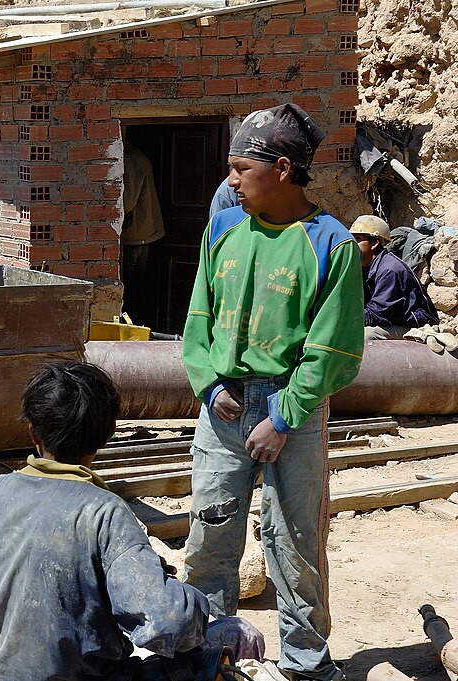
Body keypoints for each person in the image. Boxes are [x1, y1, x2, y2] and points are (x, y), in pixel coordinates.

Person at [182, 103, 364, 681]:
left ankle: (305, 662)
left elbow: (333, 349)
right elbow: (198, 319)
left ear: (282, 169)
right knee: (211, 537)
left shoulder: (330, 244)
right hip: (223, 407)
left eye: (240, 168)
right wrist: (210, 386)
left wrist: (283, 417)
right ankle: (212, 655)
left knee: (294, 541)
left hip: (294, 410)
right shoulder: (223, 227)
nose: (229, 181)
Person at [0, 360, 263, 681]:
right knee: (238, 633)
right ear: (107, 434)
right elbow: (169, 623)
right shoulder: (103, 511)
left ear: (33, 431)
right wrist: (188, 599)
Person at [350, 214, 438, 341]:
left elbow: (377, 313)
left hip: (415, 326)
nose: (352, 245)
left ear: (374, 243)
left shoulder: (389, 269)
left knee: (365, 335)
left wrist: (345, 318)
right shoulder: (368, 266)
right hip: (393, 322)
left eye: (357, 240)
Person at [121, 143, 165, 320]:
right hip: (145, 232)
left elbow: (127, 201)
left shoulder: (130, 158)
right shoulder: (139, 155)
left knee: (131, 289)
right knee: (138, 286)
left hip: (135, 233)